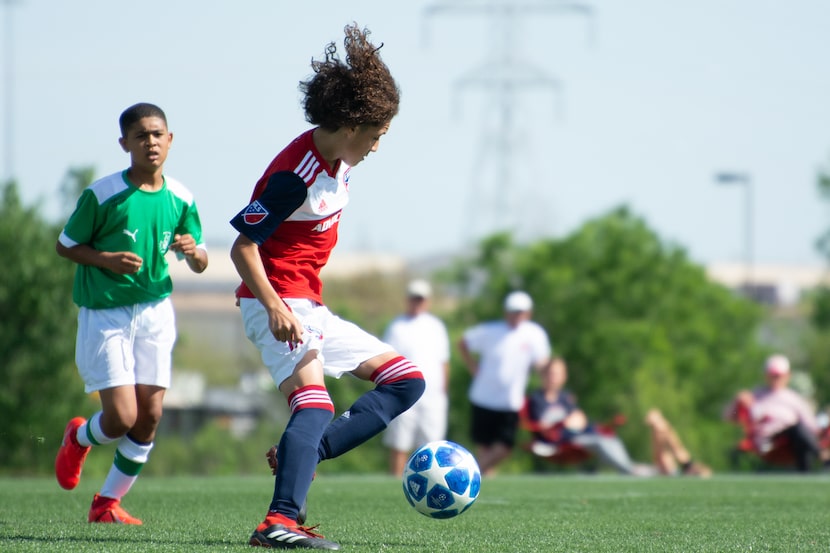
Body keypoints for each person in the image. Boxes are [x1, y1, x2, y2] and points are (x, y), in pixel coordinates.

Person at [229, 24, 424, 550]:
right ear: (354, 124)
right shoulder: (296, 173)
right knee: (313, 405)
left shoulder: (339, 163)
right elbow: (243, 248)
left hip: (309, 306)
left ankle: (306, 452)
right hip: (275, 303)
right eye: (379, 134)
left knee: (406, 382)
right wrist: (273, 306)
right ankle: (280, 521)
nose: (379, 146)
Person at [54, 102, 208, 524]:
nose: (151, 142)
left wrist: (195, 253)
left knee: (150, 416)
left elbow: (200, 259)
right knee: (122, 418)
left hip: (157, 312)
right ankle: (80, 436)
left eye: (158, 134)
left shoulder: (181, 196)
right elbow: (65, 245)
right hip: (106, 314)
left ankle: (106, 504)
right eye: (141, 136)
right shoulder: (103, 194)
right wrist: (105, 259)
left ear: (170, 139)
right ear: (125, 143)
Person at [524, 358, 710, 476]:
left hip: (578, 436)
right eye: (551, 373)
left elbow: (579, 419)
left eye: (558, 374)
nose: (554, 378)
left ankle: (645, 467)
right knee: (602, 440)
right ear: (543, 375)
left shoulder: (565, 398)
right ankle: (634, 470)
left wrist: (574, 421)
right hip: (560, 442)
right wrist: (565, 422)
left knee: (609, 436)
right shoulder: (537, 399)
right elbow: (543, 426)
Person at [458, 290, 551, 476]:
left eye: (521, 312)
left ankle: (467, 473)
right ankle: (482, 481)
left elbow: (542, 362)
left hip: (510, 401)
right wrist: (473, 367)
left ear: (528, 313)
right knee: (484, 446)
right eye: (513, 311)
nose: (517, 316)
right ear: (506, 312)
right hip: (483, 397)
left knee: (504, 447)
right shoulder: (490, 331)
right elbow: (463, 343)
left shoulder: (534, 334)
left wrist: (547, 386)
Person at [381, 279, 451, 476]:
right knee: (399, 443)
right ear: (408, 300)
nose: (417, 302)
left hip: (433, 395)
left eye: (421, 299)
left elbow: (444, 361)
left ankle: (432, 482)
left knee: (433, 446)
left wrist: (444, 391)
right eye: (414, 298)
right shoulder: (396, 326)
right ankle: (396, 483)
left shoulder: (436, 326)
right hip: (403, 393)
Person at [724, 354, 824, 472]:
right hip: (766, 442)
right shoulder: (755, 395)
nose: (775, 379)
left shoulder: (794, 399)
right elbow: (730, 417)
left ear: (787, 376)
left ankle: (806, 473)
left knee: (799, 431)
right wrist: (736, 402)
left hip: (791, 444)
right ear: (766, 375)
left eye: (778, 376)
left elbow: (811, 426)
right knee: (797, 429)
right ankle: (823, 456)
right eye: (772, 375)